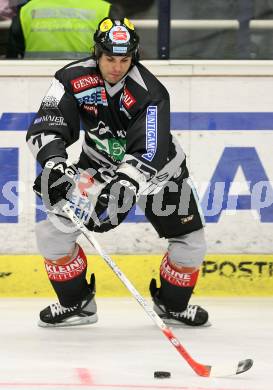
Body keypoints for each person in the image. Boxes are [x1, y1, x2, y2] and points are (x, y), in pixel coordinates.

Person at [26, 17, 209, 328]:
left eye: (124, 59)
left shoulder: (150, 92)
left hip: (158, 173)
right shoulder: (69, 79)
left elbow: (150, 149)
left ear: (132, 57)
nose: (116, 66)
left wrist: (126, 182)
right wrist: (55, 164)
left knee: (191, 242)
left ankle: (172, 305)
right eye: (110, 58)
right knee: (53, 234)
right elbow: (48, 123)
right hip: (97, 166)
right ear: (98, 53)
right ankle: (77, 305)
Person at [6, 0, 114, 59]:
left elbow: (12, 56)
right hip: (87, 83)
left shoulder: (27, 10)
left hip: (32, 83)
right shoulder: (103, 9)